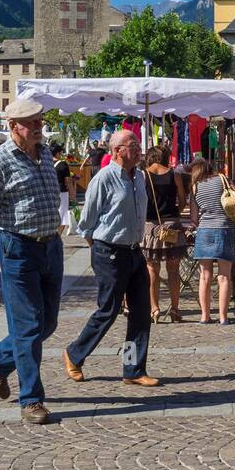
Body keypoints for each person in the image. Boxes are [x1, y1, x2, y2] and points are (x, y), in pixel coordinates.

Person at [0, 100, 65, 425]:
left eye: (39, 119)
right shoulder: (1, 160)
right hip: (19, 248)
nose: (38, 125)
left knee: (47, 324)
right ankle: (32, 400)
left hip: (51, 246)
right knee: (26, 329)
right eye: (30, 122)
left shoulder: (46, 152)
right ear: (13, 126)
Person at [63, 129, 159, 388]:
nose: (139, 149)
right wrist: (100, 250)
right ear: (117, 151)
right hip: (110, 252)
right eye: (133, 145)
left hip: (134, 251)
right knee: (109, 310)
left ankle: (133, 368)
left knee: (140, 312)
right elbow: (87, 224)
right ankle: (74, 353)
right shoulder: (103, 179)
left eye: (138, 145)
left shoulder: (139, 176)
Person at [141, 145, 188, 323]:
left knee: (152, 270)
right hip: (172, 226)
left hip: (150, 227)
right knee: (174, 270)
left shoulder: (143, 175)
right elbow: (182, 200)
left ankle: (154, 309)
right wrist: (175, 212)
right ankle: (175, 309)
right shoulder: (174, 175)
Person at [189, 157, 235, 324]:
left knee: (204, 276)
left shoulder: (195, 187)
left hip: (204, 231)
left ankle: (205, 315)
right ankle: (223, 317)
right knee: (224, 276)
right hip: (224, 228)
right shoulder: (222, 179)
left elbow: (194, 218)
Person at [51, 143, 77, 235]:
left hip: (50, 193)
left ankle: (51, 237)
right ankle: (56, 237)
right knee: (62, 216)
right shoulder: (62, 165)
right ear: (57, 153)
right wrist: (72, 194)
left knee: (52, 216)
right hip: (61, 192)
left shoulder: (47, 163)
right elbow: (68, 181)